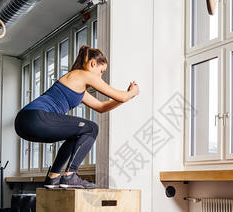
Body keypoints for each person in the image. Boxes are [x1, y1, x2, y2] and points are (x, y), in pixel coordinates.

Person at [14, 45, 140, 189]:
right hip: (36, 117)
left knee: (77, 134)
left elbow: (101, 107)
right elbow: (121, 96)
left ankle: (53, 177)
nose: (100, 76)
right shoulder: (83, 74)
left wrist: (127, 96)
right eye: (101, 71)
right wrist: (132, 93)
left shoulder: (77, 83)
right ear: (93, 64)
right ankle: (70, 175)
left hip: (25, 122)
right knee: (91, 128)